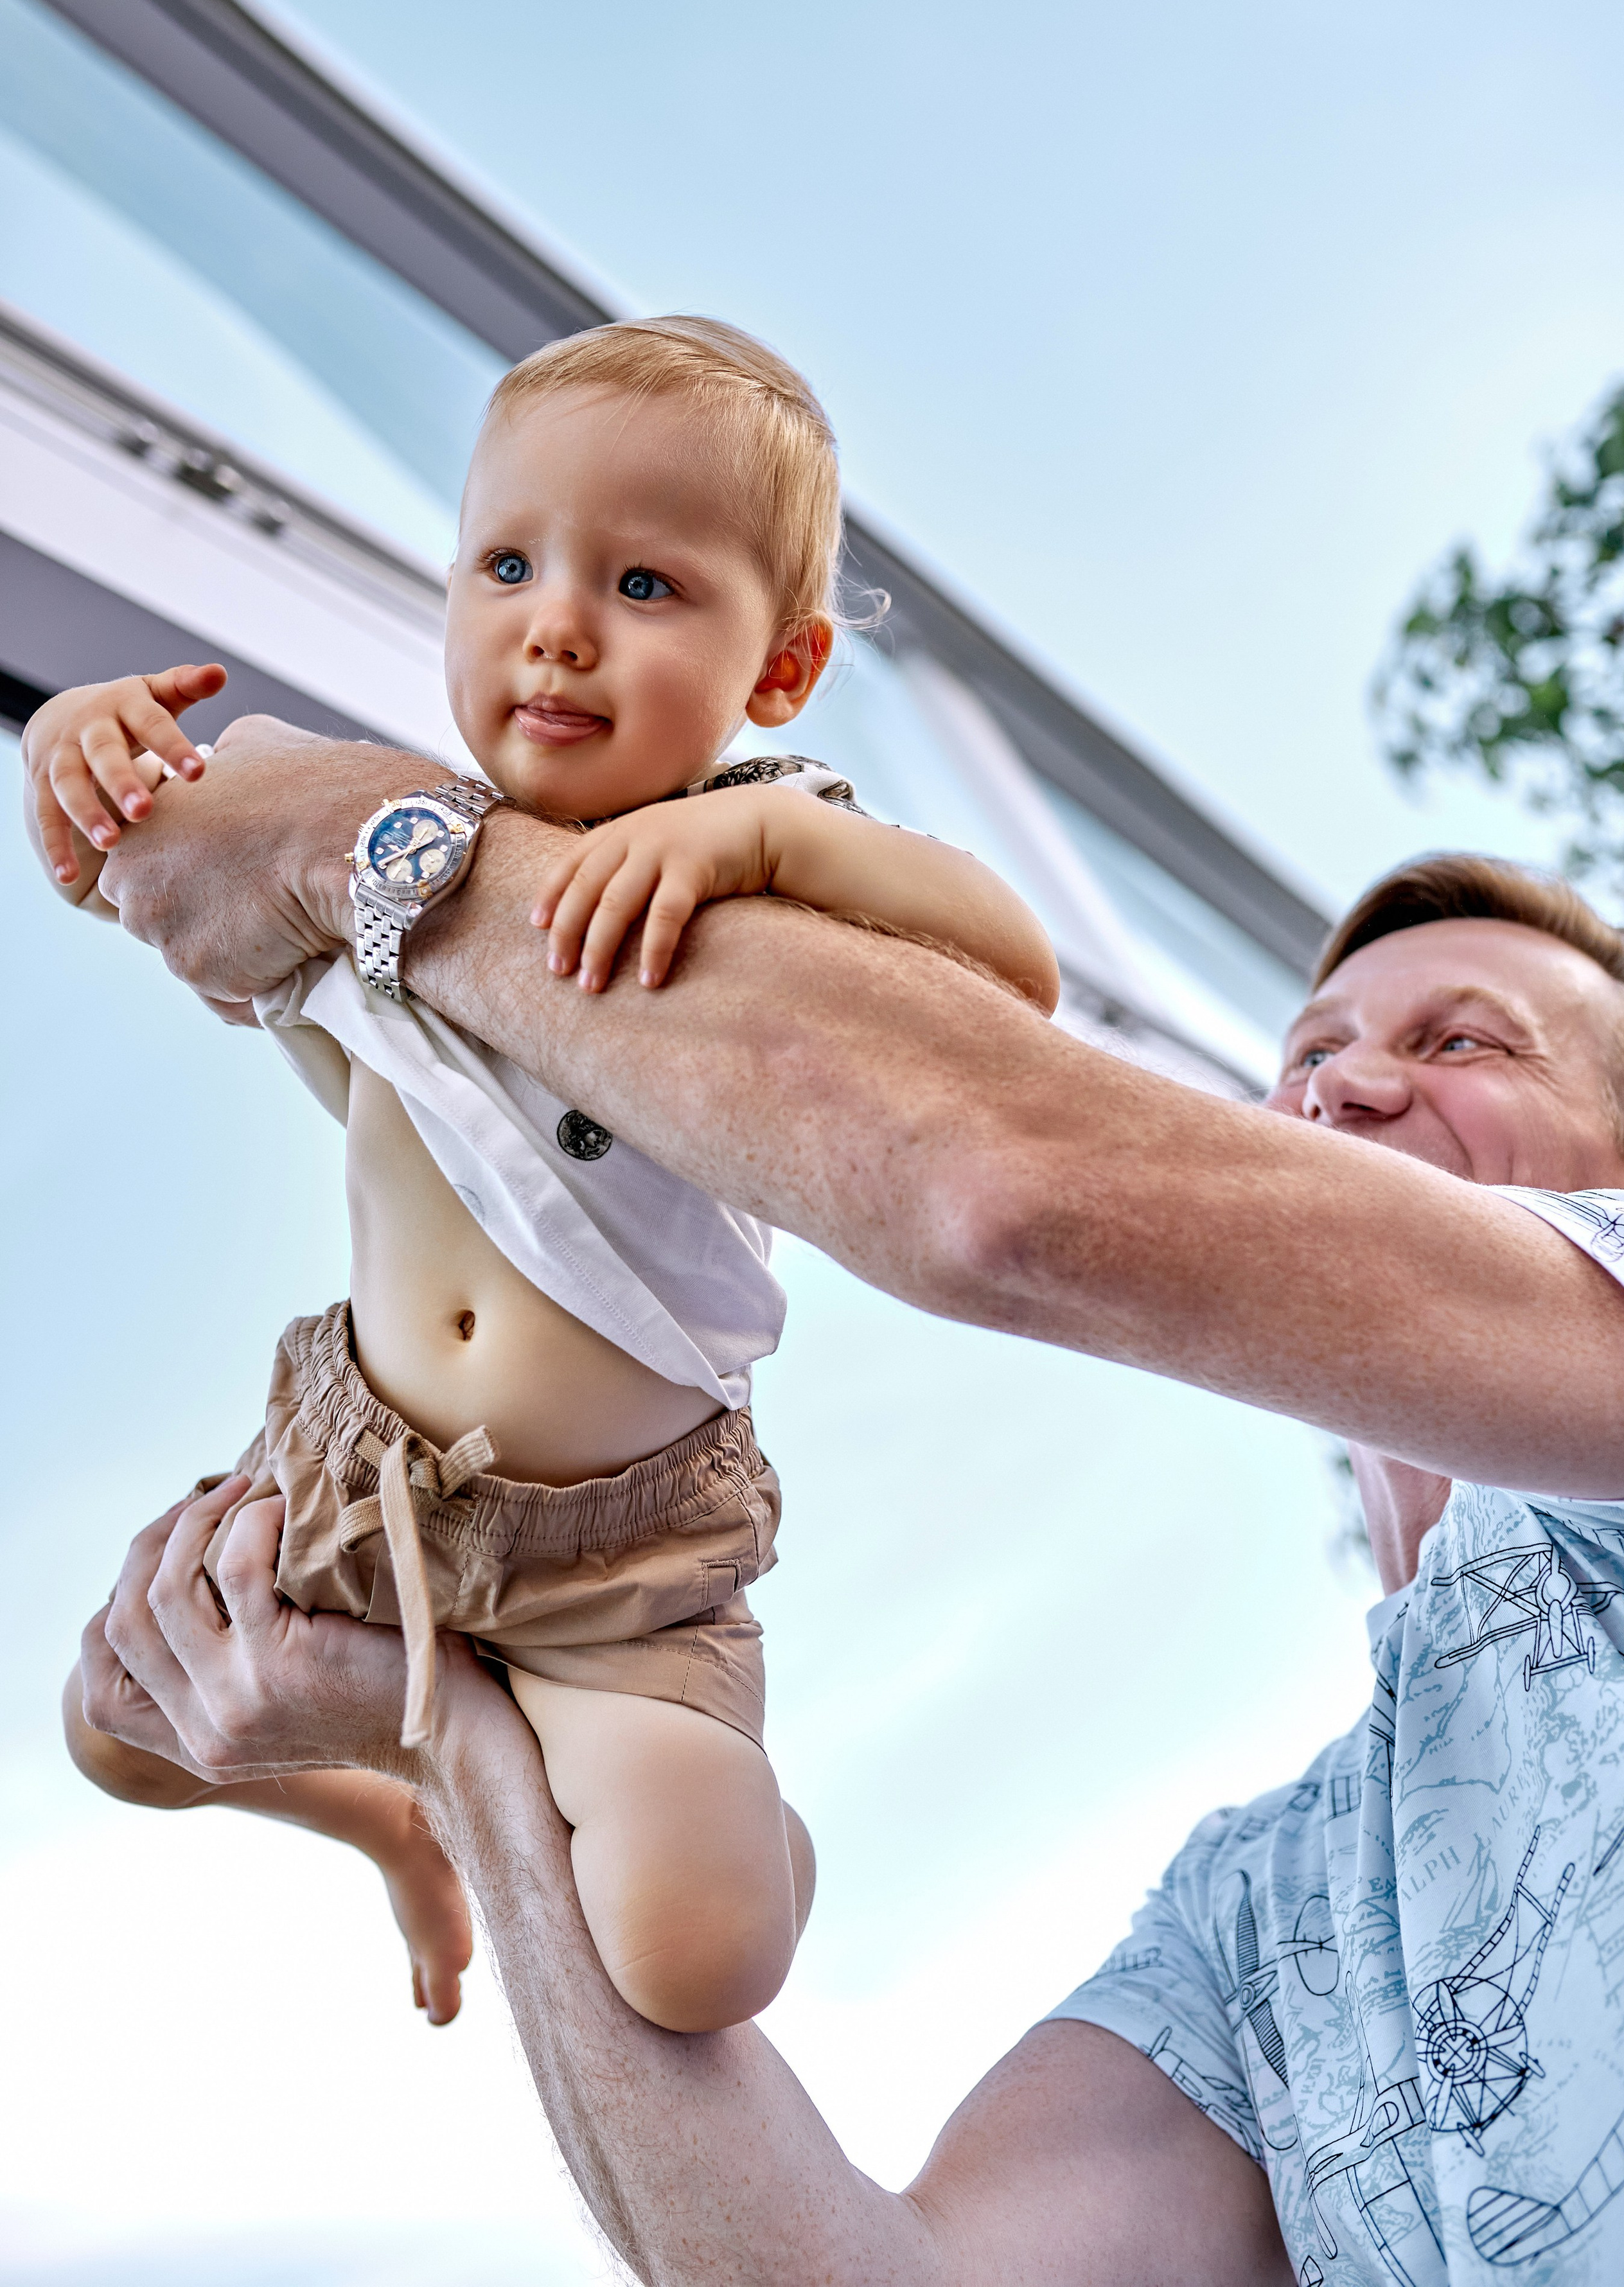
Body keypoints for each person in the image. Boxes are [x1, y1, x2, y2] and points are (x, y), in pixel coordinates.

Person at [64, 709, 1624, 2282]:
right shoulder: (1266, 1916)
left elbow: (1001, 1188)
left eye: (1459, 1044)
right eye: (1304, 1054)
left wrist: (357, 851)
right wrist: (457, 1753)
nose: (1341, 1088)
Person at [22, 314, 1057, 2037]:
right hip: (360, 1474)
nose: (557, 623)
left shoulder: (767, 850)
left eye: (646, 586)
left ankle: (722, 1820)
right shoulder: (387, 862)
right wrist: (79, 732)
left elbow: (1015, 969)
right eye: (507, 562)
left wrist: (776, 837)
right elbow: (151, 878)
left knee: (701, 1957)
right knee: (109, 1727)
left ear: (781, 669)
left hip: (616, 1555)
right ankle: (391, 1825)